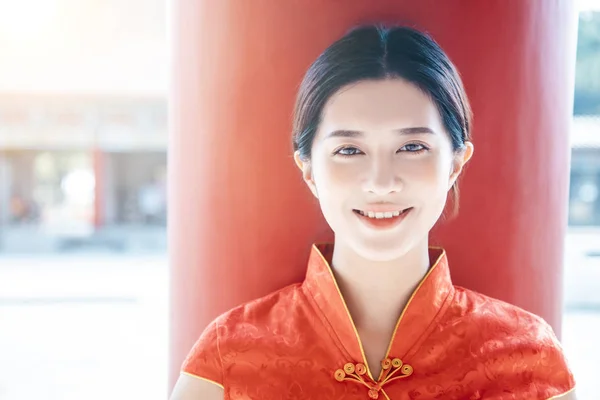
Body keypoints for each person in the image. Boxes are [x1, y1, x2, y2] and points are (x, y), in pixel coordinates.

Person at [170, 25, 576, 399]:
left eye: (412, 147)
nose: (381, 182)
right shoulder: (227, 358)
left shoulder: (529, 359)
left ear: (455, 163)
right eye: (349, 150)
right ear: (308, 169)